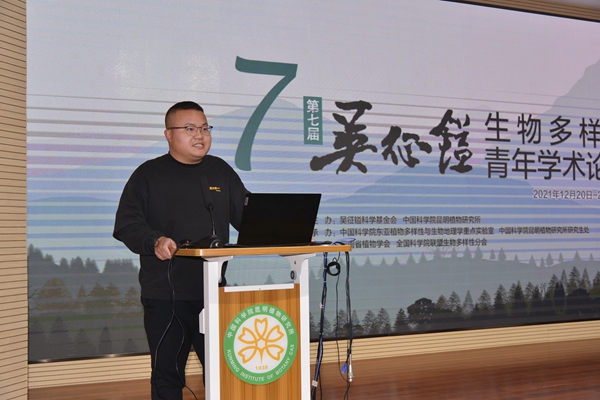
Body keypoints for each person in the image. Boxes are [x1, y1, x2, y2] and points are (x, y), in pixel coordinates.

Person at [113, 101, 248, 399]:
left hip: (212, 292)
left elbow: (248, 218)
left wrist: (283, 227)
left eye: (205, 128)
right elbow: (126, 224)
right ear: (168, 134)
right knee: (168, 376)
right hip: (166, 295)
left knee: (224, 373)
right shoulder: (148, 174)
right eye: (190, 128)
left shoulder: (220, 171)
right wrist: (155, 240)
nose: (200, 135)